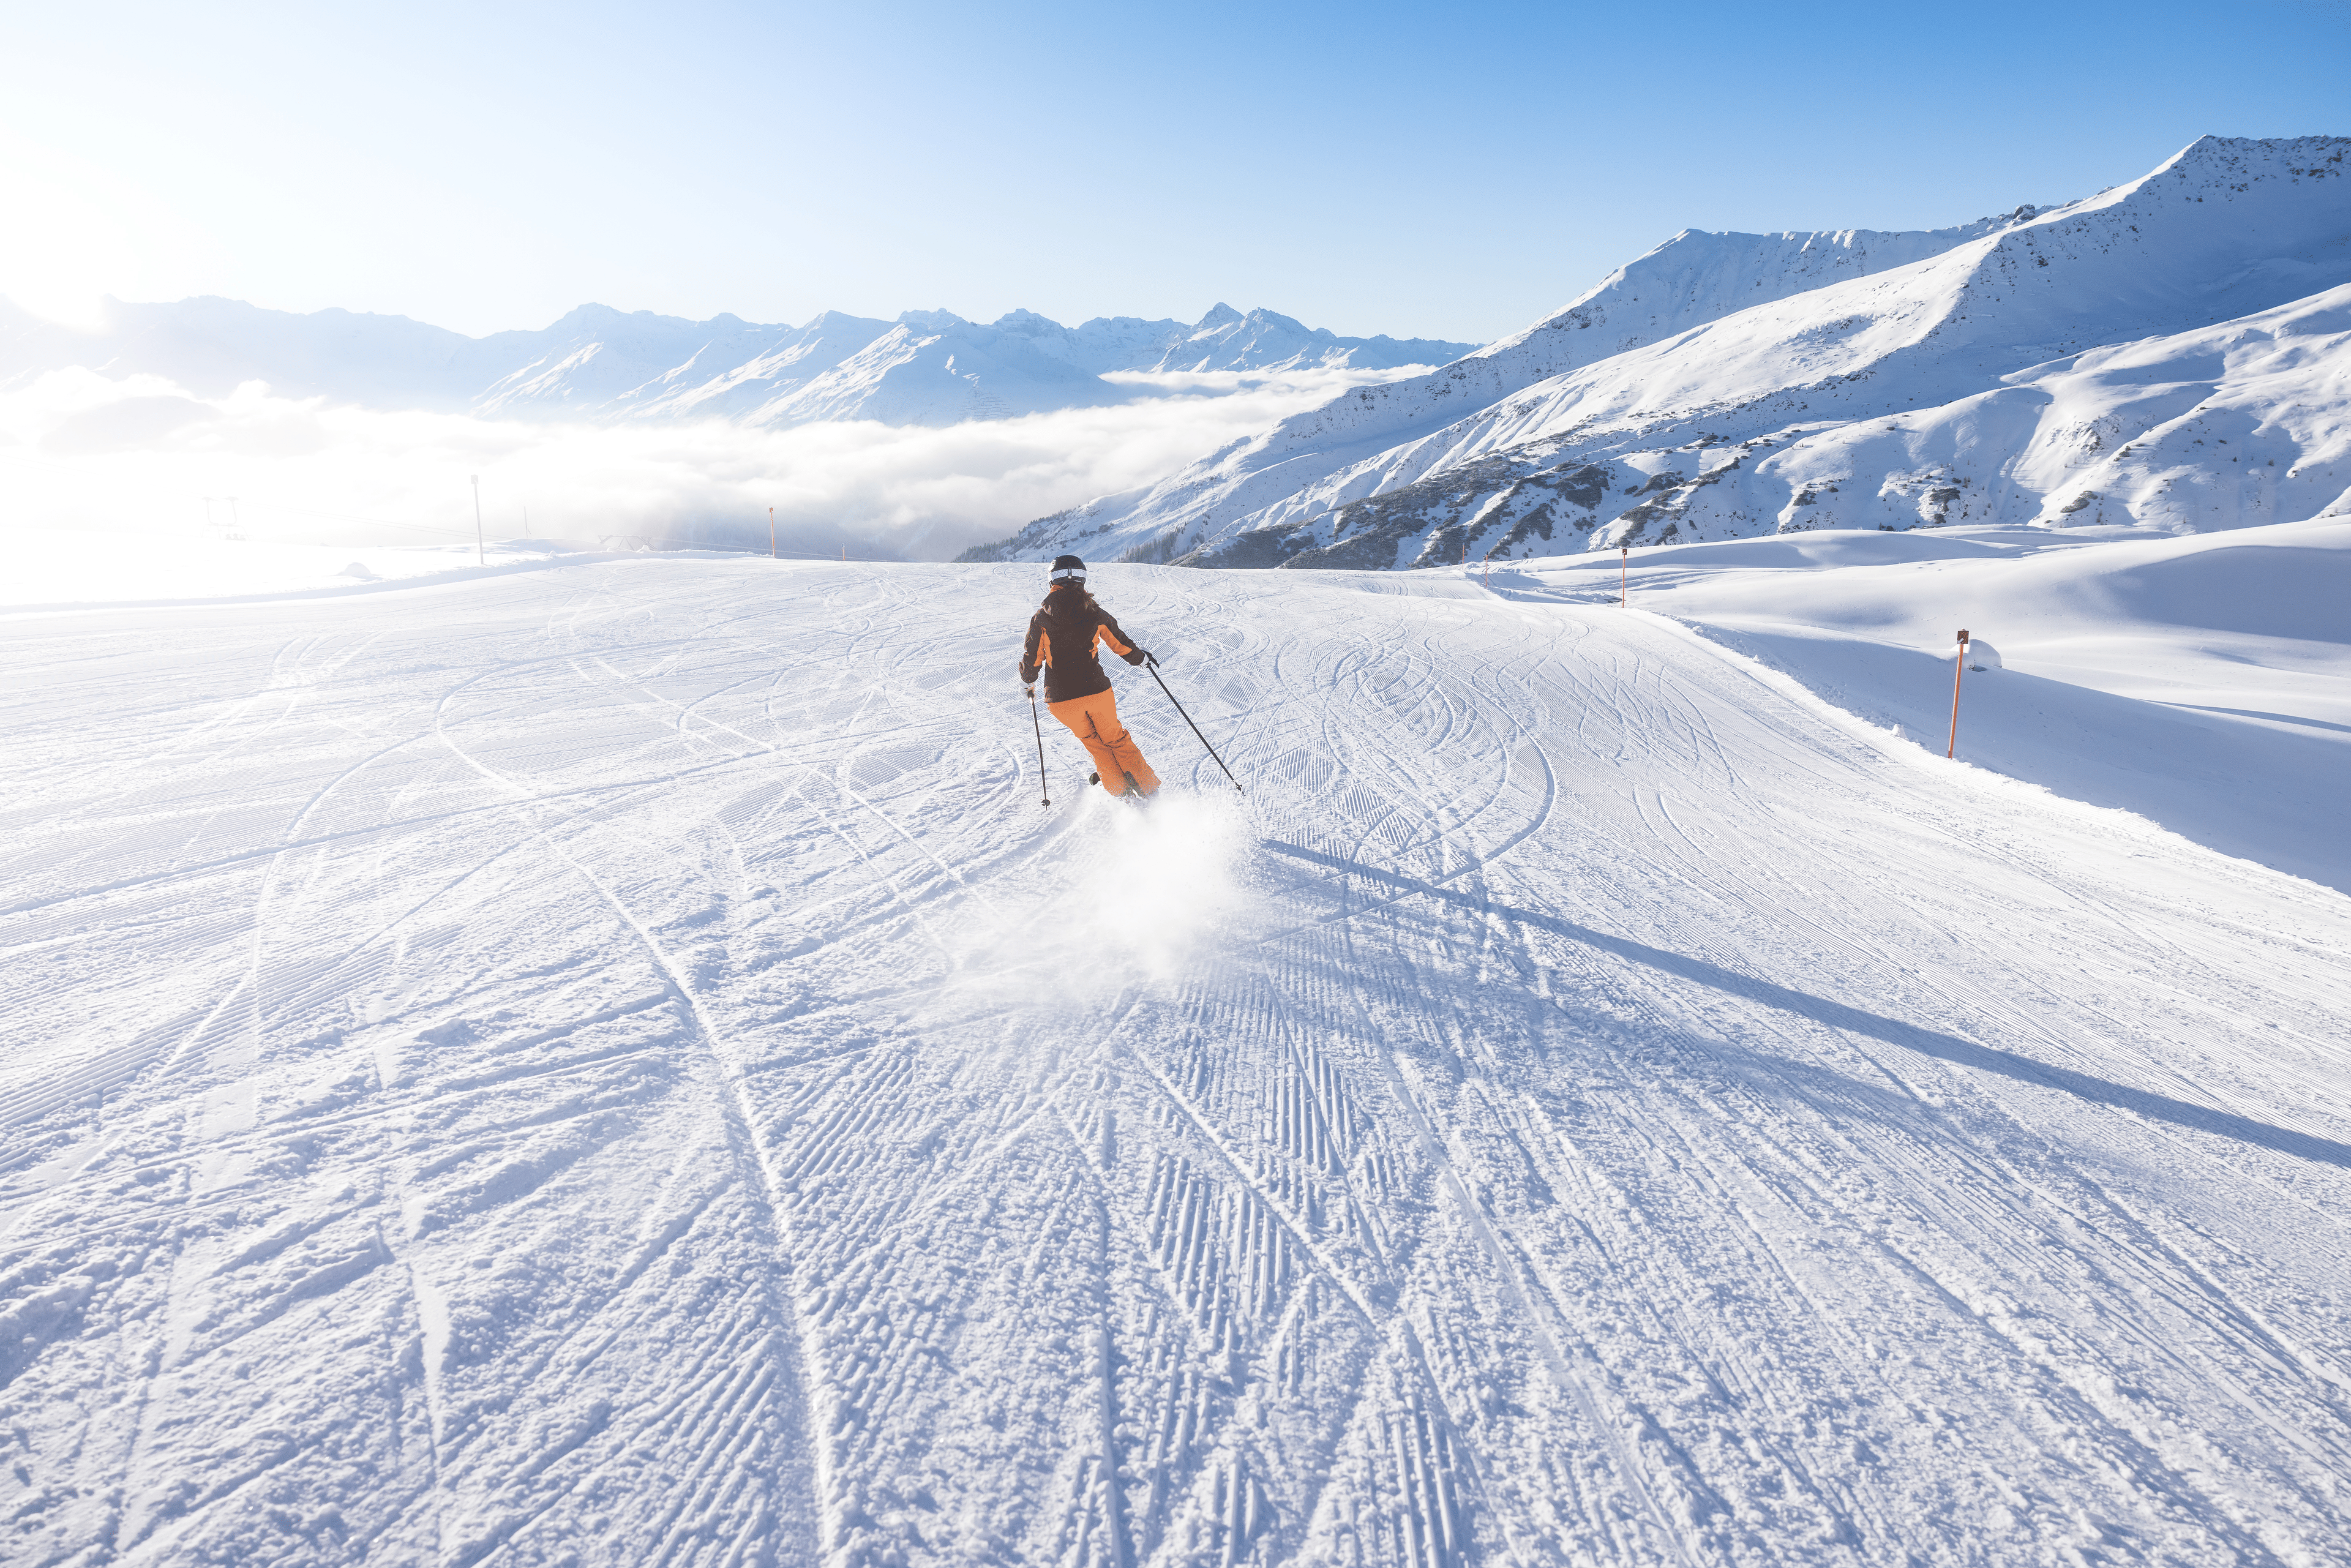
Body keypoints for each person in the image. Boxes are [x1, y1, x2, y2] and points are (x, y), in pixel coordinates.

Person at [1019, 555, 1161, 798]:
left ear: (1052, 580)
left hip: (1062, 700)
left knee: (1094, 743)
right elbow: (1120, 643)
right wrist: (1142, 659)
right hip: (1097, 691)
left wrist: (1027, 681)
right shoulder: (1094, 612)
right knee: (1116, 739)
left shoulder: (1041, 618)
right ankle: (1148, 790)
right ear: (1083, 580)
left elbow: (1033, 658)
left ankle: (1122, 793)